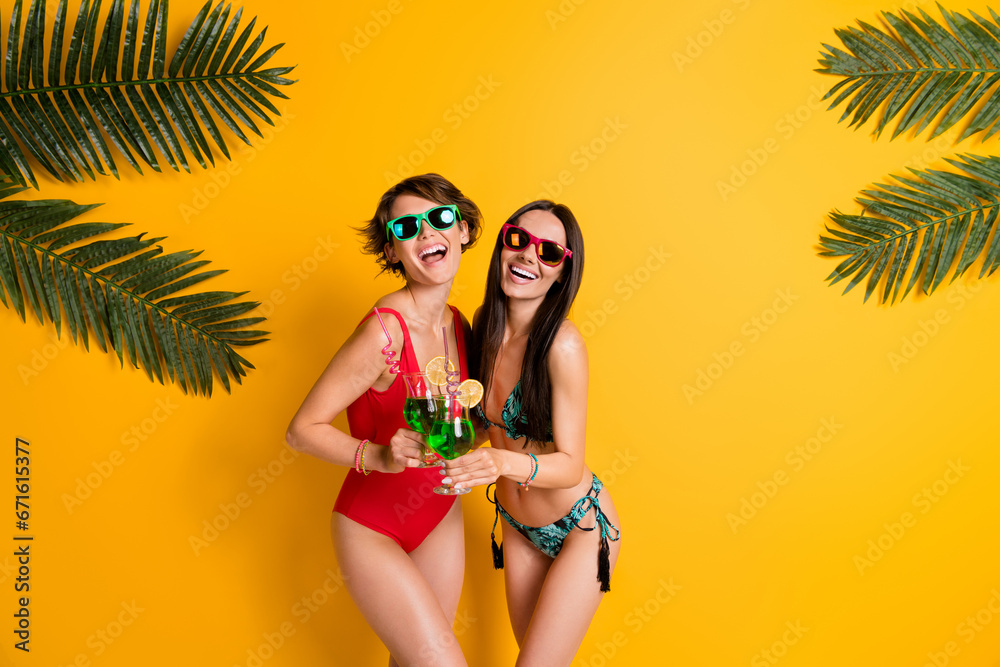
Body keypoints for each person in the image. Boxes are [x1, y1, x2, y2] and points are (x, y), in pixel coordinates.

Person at [286, 173, 481, 667]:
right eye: (406, 228)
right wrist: (375, 455)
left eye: (439, 218)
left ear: (463, 229)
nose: (426, 233)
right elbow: (301, 430)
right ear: (393, 252)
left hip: (439, 512)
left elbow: (461, 426)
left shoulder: (459, 324)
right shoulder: (384, 332)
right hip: (371, 525)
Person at [442, 200, 621, 666]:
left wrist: (500, 463)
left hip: (580, 524)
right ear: (503, 244)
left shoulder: (562, 344)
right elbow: (487, 424)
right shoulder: (485, 323)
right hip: (518, 528)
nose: (528, 257)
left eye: (549, 253)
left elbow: (569, 466)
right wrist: (439, 439)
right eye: (518, 240)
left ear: (563, 272)